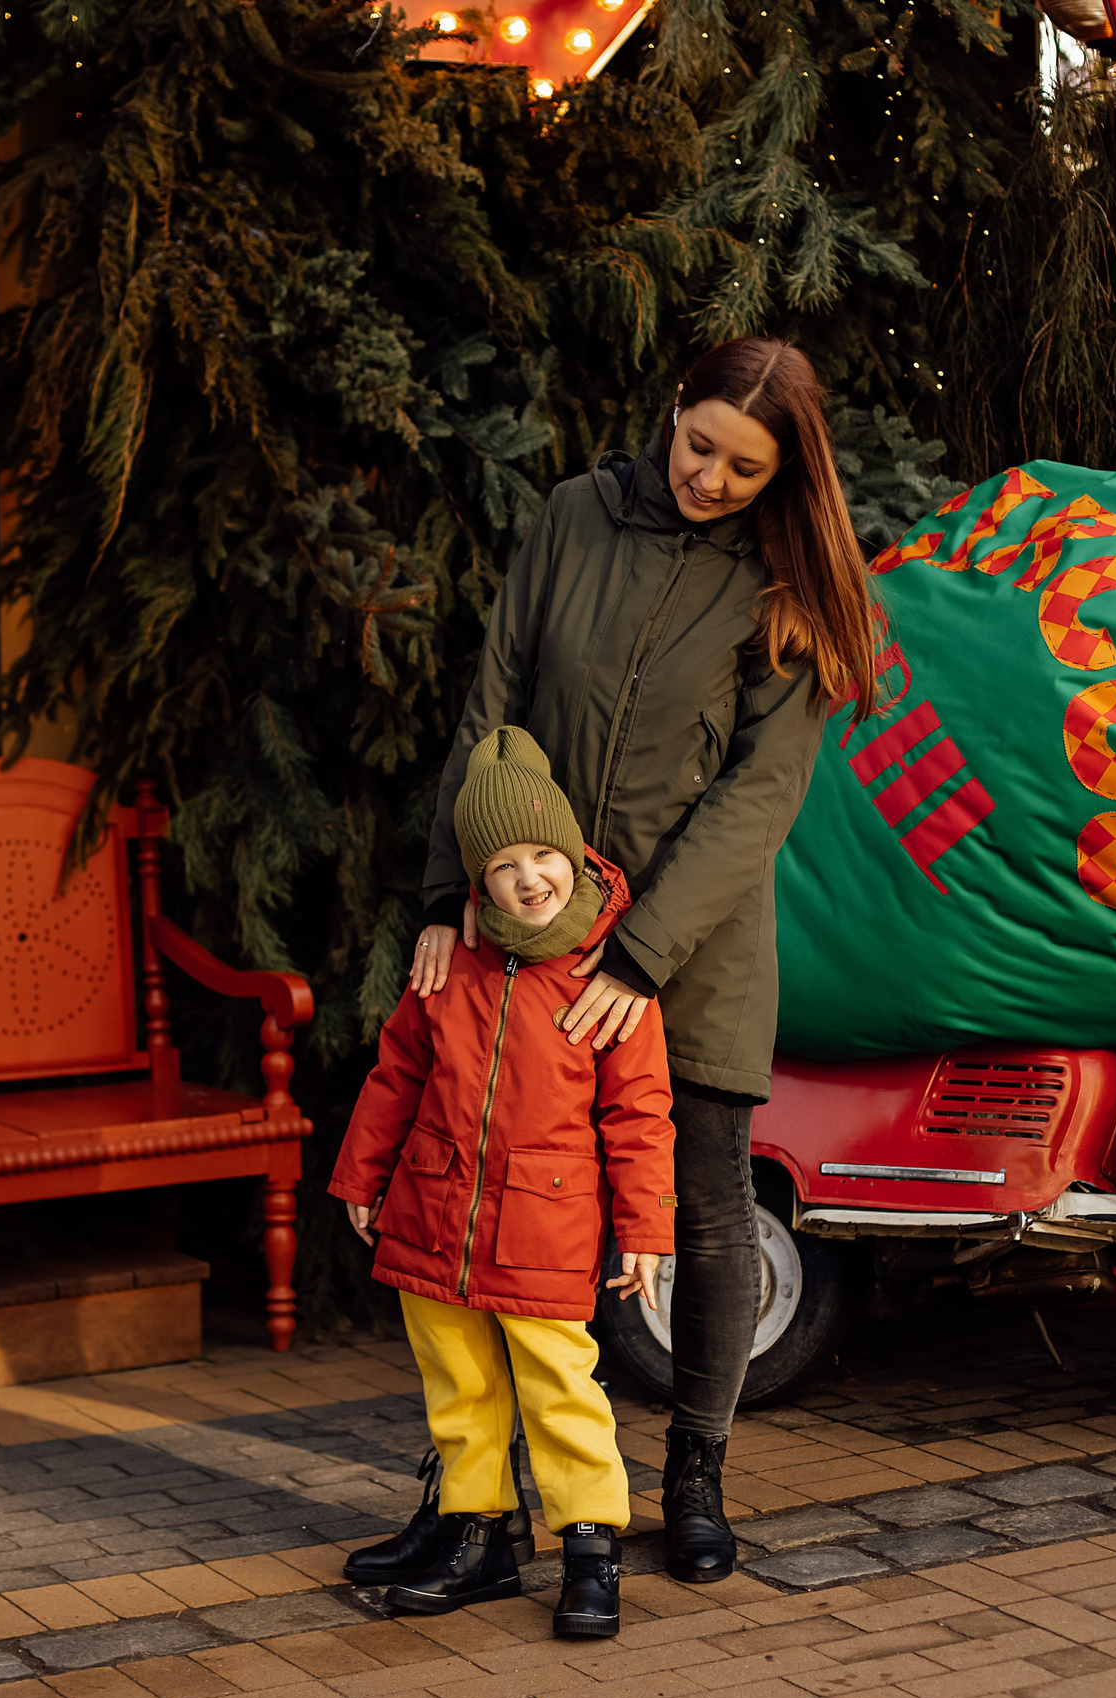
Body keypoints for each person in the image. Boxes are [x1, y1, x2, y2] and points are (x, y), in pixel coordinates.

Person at [411, 337, 881, 1582]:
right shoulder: (574, 516)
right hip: (525, 924)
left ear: (783, 476)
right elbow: (494, 699)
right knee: (487, 1198)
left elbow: (759, 795)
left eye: (743, 467)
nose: (709, 479)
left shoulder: (784, 585)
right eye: (698, 447)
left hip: (695, 947)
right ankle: (473, 1501)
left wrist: (643, 952)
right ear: (670, 410)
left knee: (712, 1215)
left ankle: (696, 1477)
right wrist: (449, 887)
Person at [328, 727, 675, 1638]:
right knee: (459, 1383)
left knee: (561, 1385)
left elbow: (639, 1116)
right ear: (478, 883)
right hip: (434, 1211)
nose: (530, 878)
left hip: (544, 1224)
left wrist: (644, 1229)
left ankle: (591, 1546)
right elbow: (397, 1070)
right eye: (505, 864)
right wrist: (362, 1172)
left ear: (573, 855)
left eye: (544, 855)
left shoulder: (607, 976)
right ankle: (475, 1533)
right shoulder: (453, 963)